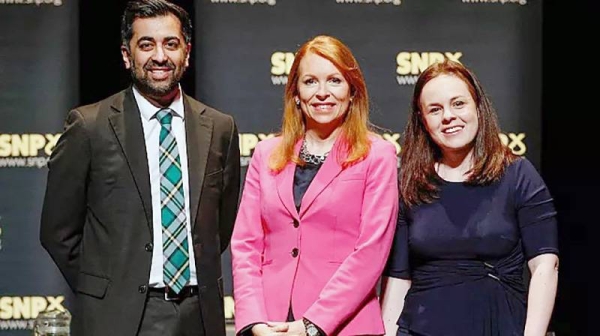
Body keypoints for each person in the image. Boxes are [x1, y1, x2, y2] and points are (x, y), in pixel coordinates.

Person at [39, 1, 241, 335]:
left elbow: (220, 226)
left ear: (186, 54)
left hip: (199, 314)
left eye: (171, 44)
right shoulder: (90, 126)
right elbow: (58, 231)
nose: (159, 56)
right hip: (117, 318)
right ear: (126, 54)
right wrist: (105, 289)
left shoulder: (220, 128)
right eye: (146, 44)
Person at [230, 35, 399, 336]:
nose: (322, 93)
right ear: (295, 93)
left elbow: (371, 251)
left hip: (346, 326)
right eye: (310, 82)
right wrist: (254, 321)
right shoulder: (266, 154)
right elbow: (246, 244)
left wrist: (312, 324)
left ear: (352, 91)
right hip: (272, 326)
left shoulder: (378, 155)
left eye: (334, 81)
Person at [380, 59, 559, 336]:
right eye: (435, 110)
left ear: (478, 106)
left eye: (458, 104)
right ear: (423, 121)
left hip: (500, 327)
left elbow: (545, 265)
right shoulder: (409, 183)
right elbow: (398, 277)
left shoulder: (518, 175)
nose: (448, 116)